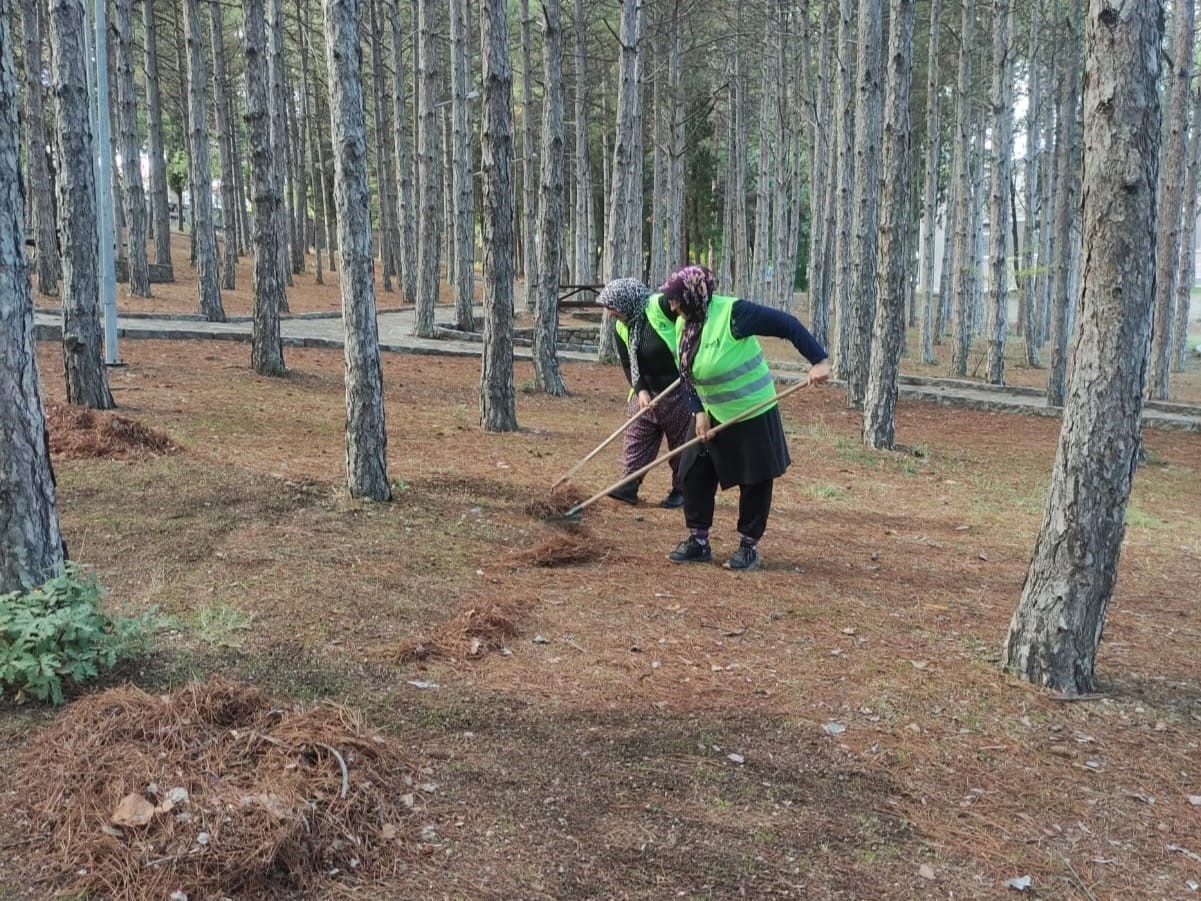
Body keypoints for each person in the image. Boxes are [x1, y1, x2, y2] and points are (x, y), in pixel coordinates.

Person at [659, 265, 830, 571]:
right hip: (712, 411)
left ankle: (748, 546)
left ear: (693, 295)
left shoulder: (734, 314)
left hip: (752, 411)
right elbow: (685, 375)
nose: (672, 306)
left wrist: (818, 360)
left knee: (755, 479)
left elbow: (788, 325)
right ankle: (699, 541)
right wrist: (698, 412)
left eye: (676, 299)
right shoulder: (684, 323)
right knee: (693, 470)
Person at [596, 278, 691, 508]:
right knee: (636, 437)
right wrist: (640, 391)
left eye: (611, 307)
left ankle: (683, 490)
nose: (609, 314)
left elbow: (690, 319)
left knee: (681, 443)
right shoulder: (622, 325)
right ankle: (629, 484)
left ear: (624, 301)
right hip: (646, 392)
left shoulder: (659, 307)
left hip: (677, 389)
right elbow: (629, 364)